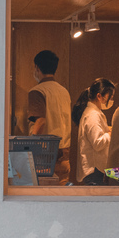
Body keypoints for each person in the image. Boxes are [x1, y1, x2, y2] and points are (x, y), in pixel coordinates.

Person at [27, 50, 72, 184]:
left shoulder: (37, 91)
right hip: (64, 154)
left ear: (37, 68)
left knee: (44, 193)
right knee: (61, 193)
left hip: (45, 156)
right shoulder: (64, 91)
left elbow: (40, 121)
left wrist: (30, 148)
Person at [71, 78, 116, 185]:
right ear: (99, 96)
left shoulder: (94, 112)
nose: (111, 101)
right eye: (110, 97)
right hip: (95, 171)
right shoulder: (93, 115)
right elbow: (98, 143)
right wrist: (110, 133)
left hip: (95, 170)